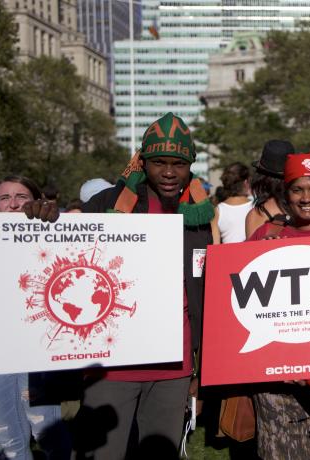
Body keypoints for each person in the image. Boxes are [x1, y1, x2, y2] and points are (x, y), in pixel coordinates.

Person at [25, 112, 214, 459]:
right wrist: (44, 222)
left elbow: (203, 287)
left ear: (191, 165)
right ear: (143, 161)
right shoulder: (107, 204)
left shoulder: (200, 214)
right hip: (112, 365)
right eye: (159, 163)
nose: (169, 172)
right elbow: (62, 251)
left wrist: (200, 366)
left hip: (174, 365)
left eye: (178, 164)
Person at [249, 152, 310, 459]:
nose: (306, 198)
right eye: (297, 189)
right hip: (275, 379)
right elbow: (239, 300)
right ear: (286, 194)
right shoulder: (265, 236)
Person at [0, 175, 70, 460]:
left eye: (21, 196)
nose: (13, 203)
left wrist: (53, 217)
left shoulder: (52, 230)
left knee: (47, 429)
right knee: (5, 434)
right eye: (4, 198)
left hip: (38, 350)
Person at [211, 162, 252, 244]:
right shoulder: (256, 206)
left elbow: (215, 245)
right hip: (253, 255)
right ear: (246, 182)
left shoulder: (217, 211)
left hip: (227, 256)